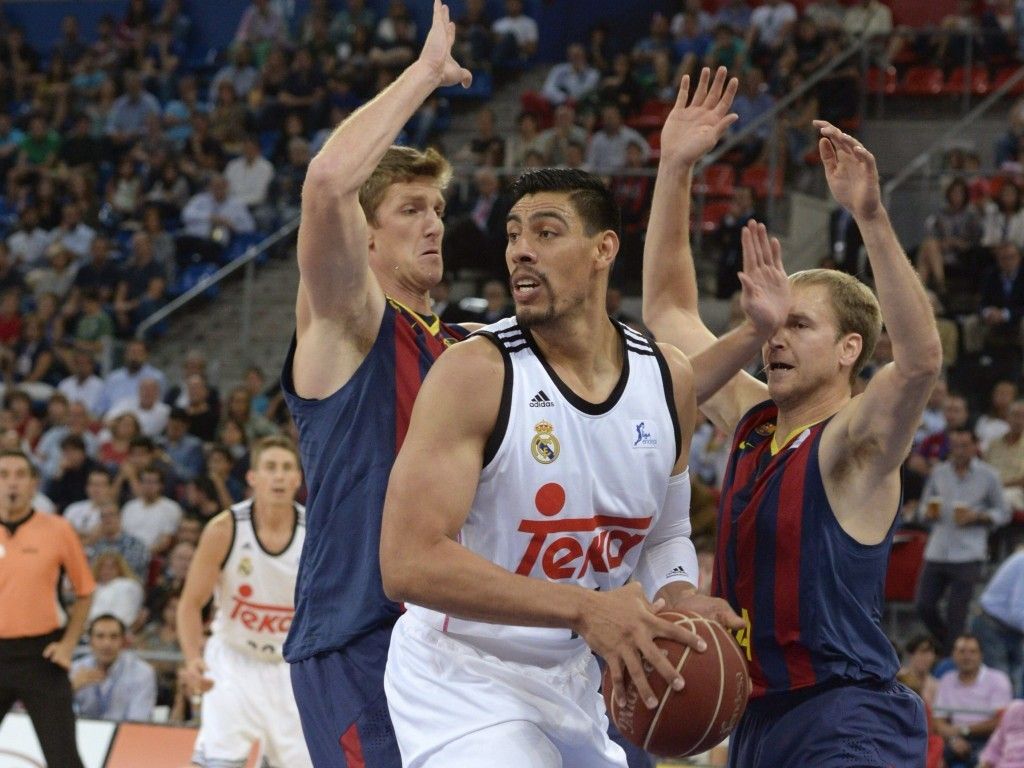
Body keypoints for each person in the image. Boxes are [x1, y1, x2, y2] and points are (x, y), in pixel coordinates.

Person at [379, 162, 754, 766]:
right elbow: (406, 563)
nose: (521, 251)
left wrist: (680, 593)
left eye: (546, 233)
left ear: (604, 249)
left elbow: (666, 534)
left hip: (575, 680)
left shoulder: (667, 378)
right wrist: (585, 607)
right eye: (513, 234)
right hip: (463, 678)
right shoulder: (475, 372)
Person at [641, 67, 940, 766]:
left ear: (849, 349)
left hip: (846, 714)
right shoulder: (753, 420)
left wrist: (870, 216)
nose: (775, 338)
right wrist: (675, 167)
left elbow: (920, 362)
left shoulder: (852, 441)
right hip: (756, 718)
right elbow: (668, 313)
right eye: (772, 323)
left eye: (798, 325)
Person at [279, 4, 473, 765]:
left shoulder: (465, 348)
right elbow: (329, 181)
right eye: (410, 209)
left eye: (439, 209)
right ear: (364, 234)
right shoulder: (348, 322)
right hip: (359, 637)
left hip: (455, 637)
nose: (434, 224)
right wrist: (424, 74)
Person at [178, 436, 312, 767]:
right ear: (252, 477)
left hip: (290, 668)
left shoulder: (315, 532)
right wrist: (192, 659)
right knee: (217, 762)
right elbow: (190, 603)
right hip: (233, 661)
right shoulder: (224, 529)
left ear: (298, 478)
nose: (279, 476)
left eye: (287, 468)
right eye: (270, 467)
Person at [0, 449, 94, 768]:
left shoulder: (58, 530)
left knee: (64, 758)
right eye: (3, 475)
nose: (11, 483)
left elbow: (85, 592)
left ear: (33, 484)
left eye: (20, 475)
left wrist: (68, 644)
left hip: (42, 655)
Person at [915, 427, 1008, 652]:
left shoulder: (989, 475)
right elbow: (922, 508)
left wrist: (978, 516)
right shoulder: (939, 472)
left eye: (964, 446)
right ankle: (950, 649)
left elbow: (1003, 512)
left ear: (975, 447)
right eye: (955, 446)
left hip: (968, 552)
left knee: (956, 613)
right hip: (937, 549)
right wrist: (928, 513)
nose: (959, 451)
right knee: (923, 606)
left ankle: (951, 657)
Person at [934, 634, 1014, 768]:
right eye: (962, 651)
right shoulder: (946, 680)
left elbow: (1001, 721)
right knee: (931, 754)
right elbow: (938, 721)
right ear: (953, 655)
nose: (967, 656)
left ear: (981, 655)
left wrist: (964, 730)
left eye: (972, 652)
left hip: (989, 740)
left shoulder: (998, 679)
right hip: (953, 738)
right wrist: (954, 739)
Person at [70, 613, 156, 721]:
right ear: (90, 641)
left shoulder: (142, 673)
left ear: (123, 641)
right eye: (100, 636)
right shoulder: (75, 670)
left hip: (125, 731)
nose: (107, 644)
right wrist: (70, 689)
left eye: (114, 637)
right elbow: (58, 715)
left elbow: (139, 720)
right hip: (82, 730)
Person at [971, 545, 1024, 696]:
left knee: (1017, 687)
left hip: (1012, 631)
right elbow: (1017, 612)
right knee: (1001, 687)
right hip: (992, 627)